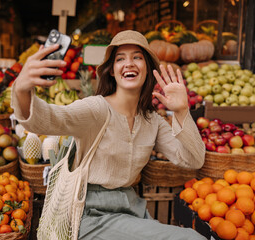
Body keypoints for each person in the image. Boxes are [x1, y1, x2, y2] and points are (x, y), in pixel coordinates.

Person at [11, 30, 206, 240]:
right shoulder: (97, 109)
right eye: (120, 59)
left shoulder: (152, 121)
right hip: (90, 214)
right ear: (112, 71)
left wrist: (182, 112)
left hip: (131, 210)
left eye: (137, 57)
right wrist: (22, 88)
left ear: (148, 69)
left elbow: (192, 159)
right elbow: (50, 119)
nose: (129, 63)